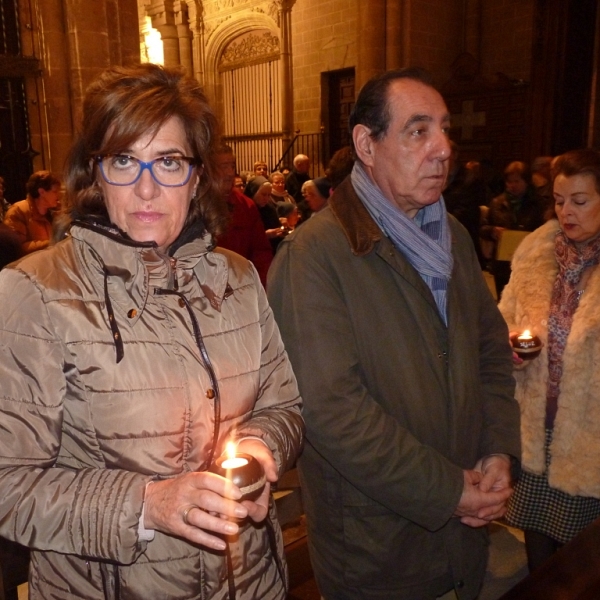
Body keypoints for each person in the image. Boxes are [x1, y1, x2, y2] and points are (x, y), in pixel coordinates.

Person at [0, 63, 304, 599]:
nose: (145, 188)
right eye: (123, 160)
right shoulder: (36, 292)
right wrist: (148, 505)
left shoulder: (236, 277)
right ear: (94, 172)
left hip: (249, 582)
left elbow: (284, 407)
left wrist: (257, 451)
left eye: (167, 162)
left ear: (196, 174)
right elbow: (8, 485)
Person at [268, 67, 520, 600]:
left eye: (445, 129)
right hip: (379, 545)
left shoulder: (450, 235)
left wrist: (498, 451)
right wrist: (447, 489)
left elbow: (491, 355)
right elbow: (332, 411)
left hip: (463, 528)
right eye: (418, 130)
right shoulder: (313, 257)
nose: (443, 148)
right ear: (367, 143)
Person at [499, 148, 600, 573]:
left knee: (582, 561)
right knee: (538, 550)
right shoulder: (535, 253)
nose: (566, 212)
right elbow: (504, 319)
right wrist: (508, 348)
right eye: (559, 201)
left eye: (580, 201)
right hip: (535, 428)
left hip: (588, 436)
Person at [480, 161, 545, 298]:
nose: (512, 186)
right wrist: (492, 230)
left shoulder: (538, 204)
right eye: (509, 182)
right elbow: (482, 228)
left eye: (517, 181)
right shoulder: (497, 203)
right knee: (504, 301)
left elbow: (545, 231)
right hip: (503, 264)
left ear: (526, 182)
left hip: (529, 261)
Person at [214, 144, 273, 286]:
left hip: (240, 286)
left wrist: (259, 290)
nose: (229, 173)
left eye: (232, 166)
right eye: (223, 167)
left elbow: (261, 253)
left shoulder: (246, 206)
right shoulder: (194, 204)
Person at [3, 170, 62, 254]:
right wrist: (52, 243)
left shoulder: (54, 212)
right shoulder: (18, 211)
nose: (58, 195)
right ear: (42, 192)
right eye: (55, 191)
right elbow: (17, 248)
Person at [245, 176, 287, 253]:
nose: (266, 198)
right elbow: (243, 237)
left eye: (269, 195)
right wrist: (265, 235)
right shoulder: (245, 209)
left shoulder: (269, 208)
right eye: (264, 195)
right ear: (253, 192)